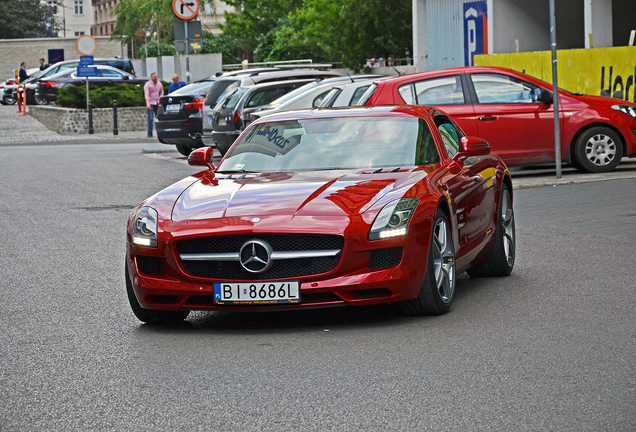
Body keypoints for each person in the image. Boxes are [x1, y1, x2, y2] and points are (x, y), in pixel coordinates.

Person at [144, 72, 164, 138]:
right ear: (151, 77)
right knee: (150, 118)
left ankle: (159, 133)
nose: (156, 78)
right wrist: (148, 103)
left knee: (158, 118)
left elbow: (161, 92)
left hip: (157, 102)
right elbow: (146, 94)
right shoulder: (147, 84)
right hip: (151, 103)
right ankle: (150, 133)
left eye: (156, 77)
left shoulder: (159, 84)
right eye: (154, 77)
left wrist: (160, 99)